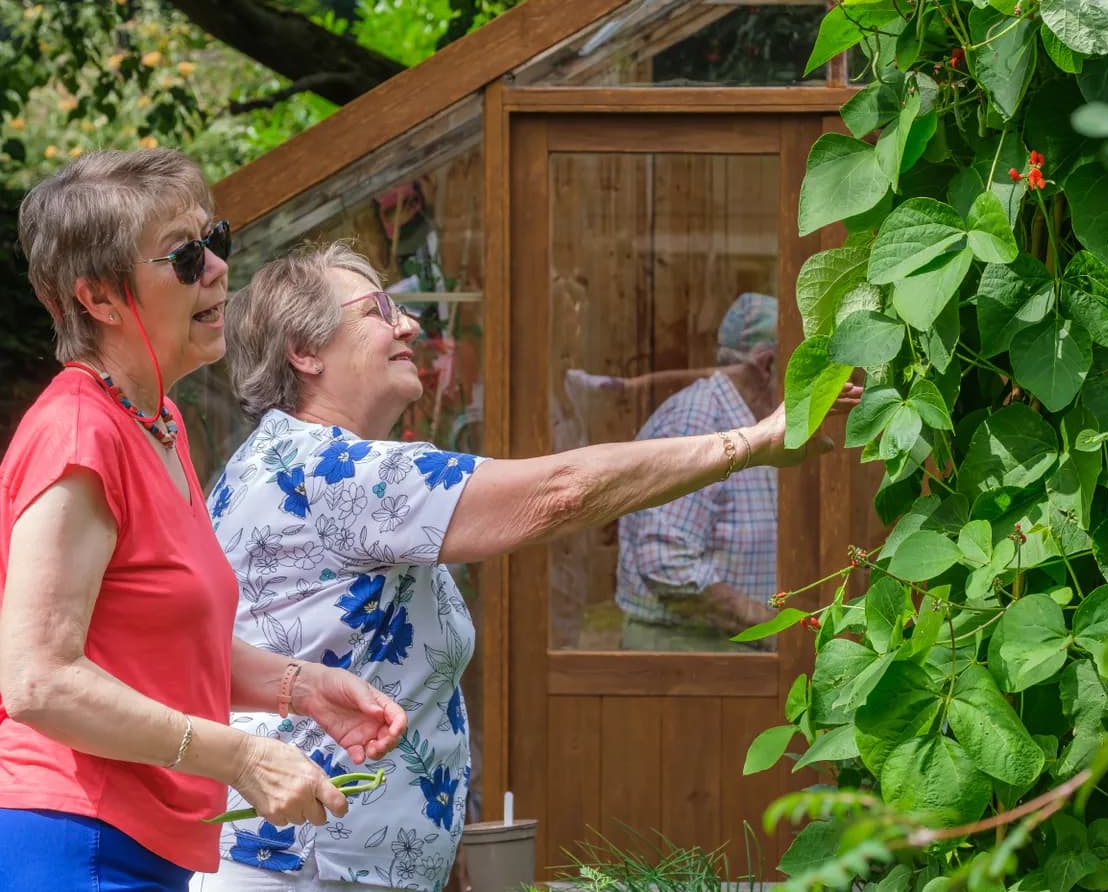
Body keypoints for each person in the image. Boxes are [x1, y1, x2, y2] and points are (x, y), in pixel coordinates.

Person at [193, 244, 855, 891]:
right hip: (297, 866)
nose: (409, 324)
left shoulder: (291, 460)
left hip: (320, 856)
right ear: (304, 353)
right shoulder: (334, 471)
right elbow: (561, 493)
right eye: (377, 309)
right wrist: (754, 441)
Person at [0, 149, 407, 891]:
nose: (218, 267)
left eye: (213, 239)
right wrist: (242, 756)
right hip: (77, 841)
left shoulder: (158, 423)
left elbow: (162, 650)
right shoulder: (77, 434)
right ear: (100, 299)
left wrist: (302, 687)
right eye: (185, 257)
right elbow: (38, 682)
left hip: (140, 843)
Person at [614, 293, 781, 652]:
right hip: (688, 657)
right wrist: (769, 625)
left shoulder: (743, 419)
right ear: (767, 365)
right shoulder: (699, 420)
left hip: (720, 649)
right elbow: (666, 565)